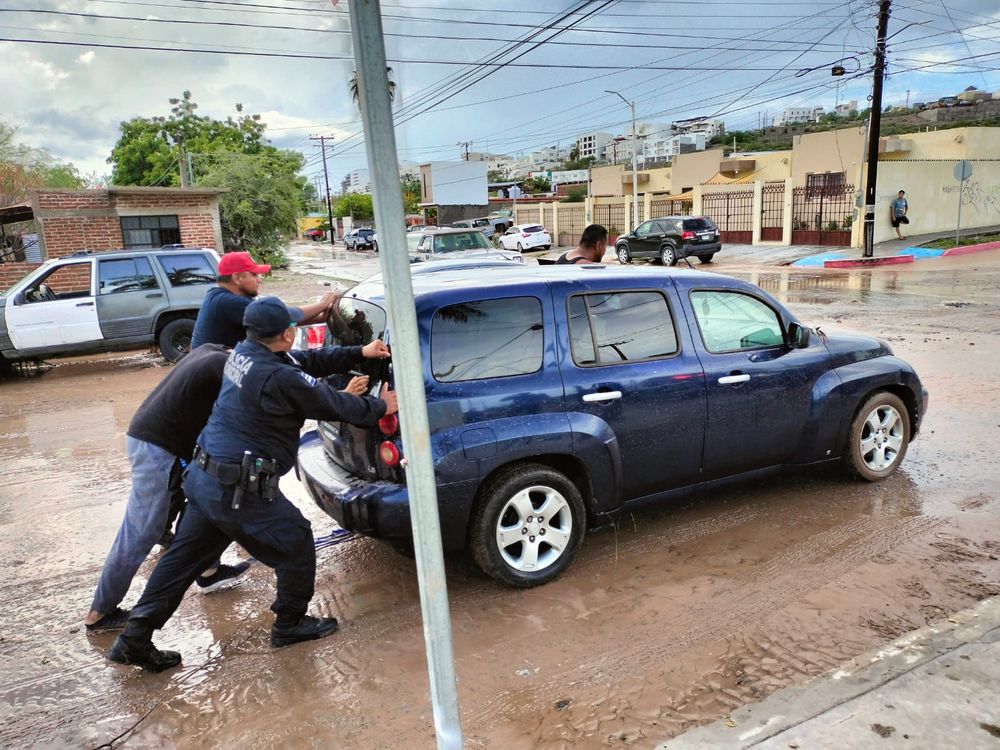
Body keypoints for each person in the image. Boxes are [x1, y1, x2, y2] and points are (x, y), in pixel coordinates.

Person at [108, 297, 398, 672]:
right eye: (292, 326)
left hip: (206, 478)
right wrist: (381, 407)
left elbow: (306, 363)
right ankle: (290, 623)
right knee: (295, 541)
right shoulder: (278, 377)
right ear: (286, 333)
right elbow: (329, 402)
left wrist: (360, 350)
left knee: (180, 561)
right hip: (238, 489)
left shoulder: (246, 354)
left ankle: (133, 637)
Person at [84, 344, 249, 634]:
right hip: (156, 447)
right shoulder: (222, 367)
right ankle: (100, 612)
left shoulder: (211, 350)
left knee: (206, 501)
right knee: (139, 532)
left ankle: (209, 572)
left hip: (155, 437)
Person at [191, 251, 337, 349]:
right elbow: (279, 314)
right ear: (236, 278)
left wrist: (319, 318)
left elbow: (273, 321)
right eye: (254, 275)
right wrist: (322, 305)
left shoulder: (217, 296)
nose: (259, 280)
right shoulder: (227, 302)